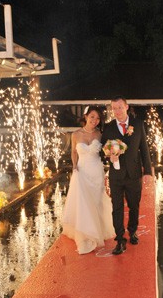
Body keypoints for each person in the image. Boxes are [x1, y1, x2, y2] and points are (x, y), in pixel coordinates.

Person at [101, 96, 153, 255]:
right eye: (114, 108)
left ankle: (133, 231)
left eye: (120, 107)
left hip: (134, 173)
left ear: (126, 107)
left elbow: (144, 149)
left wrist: (148, 172)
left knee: (134, 205)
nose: (117, 111)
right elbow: (102, 150)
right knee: (116, 207)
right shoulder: (108, 127)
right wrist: (108, 156)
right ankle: (119, 239)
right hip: (116, 175)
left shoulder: (138, 124)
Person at [61, 107, 115, 254]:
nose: (94, 120)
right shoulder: (76, 134)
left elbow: (106, 150)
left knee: (96, 200)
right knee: (83, 203)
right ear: (85, 116)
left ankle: (98, 230)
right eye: (92, 117)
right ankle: (85, 235)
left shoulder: (100, 134)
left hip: (96, 171)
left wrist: (114, 152)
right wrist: (74, 166)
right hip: (82, 171)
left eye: (97, 118)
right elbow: (73, 152)